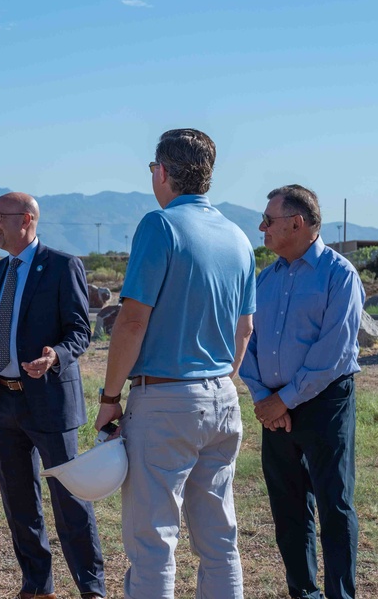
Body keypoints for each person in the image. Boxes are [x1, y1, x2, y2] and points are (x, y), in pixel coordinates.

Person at [94, 128, 256, 599]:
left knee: (153, 542)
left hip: (165, 398)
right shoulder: (239, 237)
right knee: (220, 540)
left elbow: (131, 323)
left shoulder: (160, 226)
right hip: (222, 398)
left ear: (162, 172)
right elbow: (245, 329)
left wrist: (109, 397)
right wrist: (221, 381)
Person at [0, 192, 106, 599]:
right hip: (0, 401)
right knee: (19, 503)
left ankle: (91, 590)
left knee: (70, 501)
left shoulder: (63, 267)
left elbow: (81, 331)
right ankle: (37, 586)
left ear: (25, 219)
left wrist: (55, 356)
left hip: (48, 401)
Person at [239, 185, 362, 599]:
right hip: (273, 407)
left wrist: (282, 400)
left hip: (324, 403)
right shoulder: (264, 279)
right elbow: (245, 343)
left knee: (334, 505)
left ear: (297, 223)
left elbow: (333, 353)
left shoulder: (339, 274)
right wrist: (262, 397)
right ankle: (303, 593)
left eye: (268, 220)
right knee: (289, 510)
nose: (262, 228)